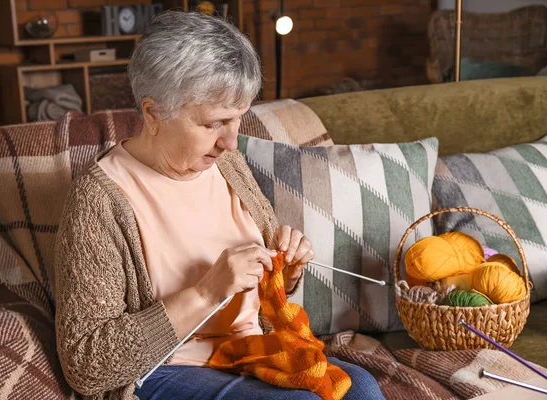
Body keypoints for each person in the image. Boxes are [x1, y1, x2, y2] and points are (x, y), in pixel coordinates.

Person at [54, 11, 385, 400]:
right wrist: (206, 293)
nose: (231, 140)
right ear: (153, 113)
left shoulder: (227, 165)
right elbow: (86, 364)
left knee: (360, 388)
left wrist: (285, 274)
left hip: (249, 352)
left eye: (239, 118)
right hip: (168, 369)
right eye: (214, 123)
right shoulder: (98, 200)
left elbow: (261, 307)